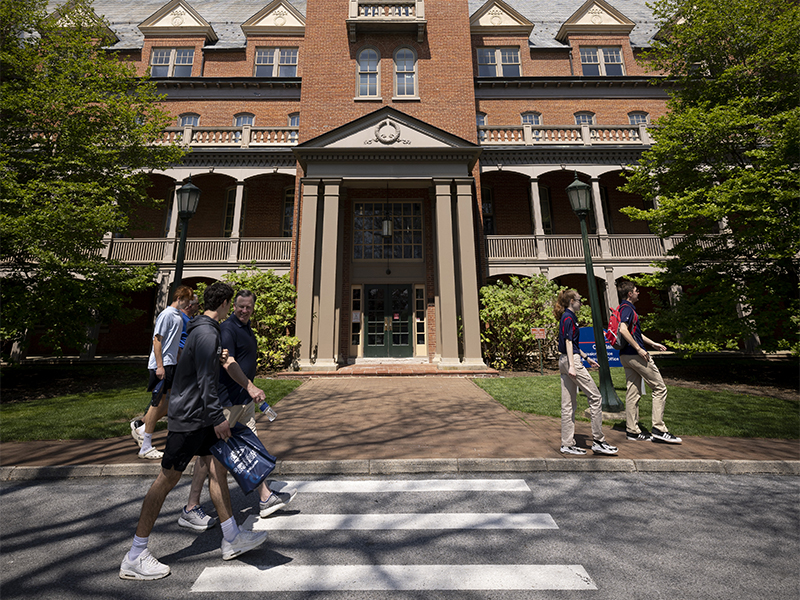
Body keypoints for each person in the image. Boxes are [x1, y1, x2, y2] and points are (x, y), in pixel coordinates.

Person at [120, 282, 268, 581]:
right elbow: (205, 381)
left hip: (200, 419)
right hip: (189, 420)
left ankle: (231, 536)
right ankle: (135, 555)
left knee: (217, 470)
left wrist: (248, 386)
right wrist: (217, 417)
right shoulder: (205, 333)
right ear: (226, 303)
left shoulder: (207, 331)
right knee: (166, 480)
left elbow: (225, 363)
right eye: (232, 304)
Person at [131, 286, 193, 460]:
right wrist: (160, 366)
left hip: (171, 364)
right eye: (187, 301)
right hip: (162, 365)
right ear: (179, 298)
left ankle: (142, 428)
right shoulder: (166, 315)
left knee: (170, 402)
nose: (189, 304)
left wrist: (180, 359)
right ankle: (145, 446)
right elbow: (157, 341)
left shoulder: (178, 316)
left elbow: (174, 343)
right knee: (158, 402)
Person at [554, 289, 618, 456]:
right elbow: (568, 342)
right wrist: (573, 366)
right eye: (579, 300)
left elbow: (573, 344)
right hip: (570, 361)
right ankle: (598, 441)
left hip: (565, 360)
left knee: (567, 405)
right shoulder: (569, 318)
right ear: (571, 302)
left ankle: (567, 444)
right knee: (596, 397)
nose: (581, 303)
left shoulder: (567, 317)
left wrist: (587, 358)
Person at [616, 280, 682, 444]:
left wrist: (652, 343)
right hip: (635, 355)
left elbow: (635, 332)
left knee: (633, 392)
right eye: (637, 290)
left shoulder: (623, 309)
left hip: (625, 356)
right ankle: (659, 428)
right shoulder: (627, 309)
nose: (639, 293)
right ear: (630, 294)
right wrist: (639, 349)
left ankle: (632, 431)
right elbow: (623, 330)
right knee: (660, 388)